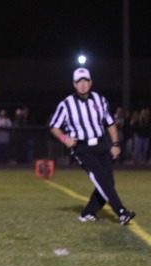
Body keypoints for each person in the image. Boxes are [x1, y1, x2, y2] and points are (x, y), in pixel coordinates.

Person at [49, 67, 135, 224]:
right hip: (82, 148)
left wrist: (115, 143)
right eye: (79, 82)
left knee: (108, 181)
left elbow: (110, 123)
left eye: (85, 81)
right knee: (102, 179)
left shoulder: (99, 99)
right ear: (74, 84)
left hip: (102, 144)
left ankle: (88, 212)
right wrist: (64, 138)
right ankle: (121, 212)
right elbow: (54, 126)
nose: (82, 85)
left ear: (91, 83)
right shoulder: (66, 104)